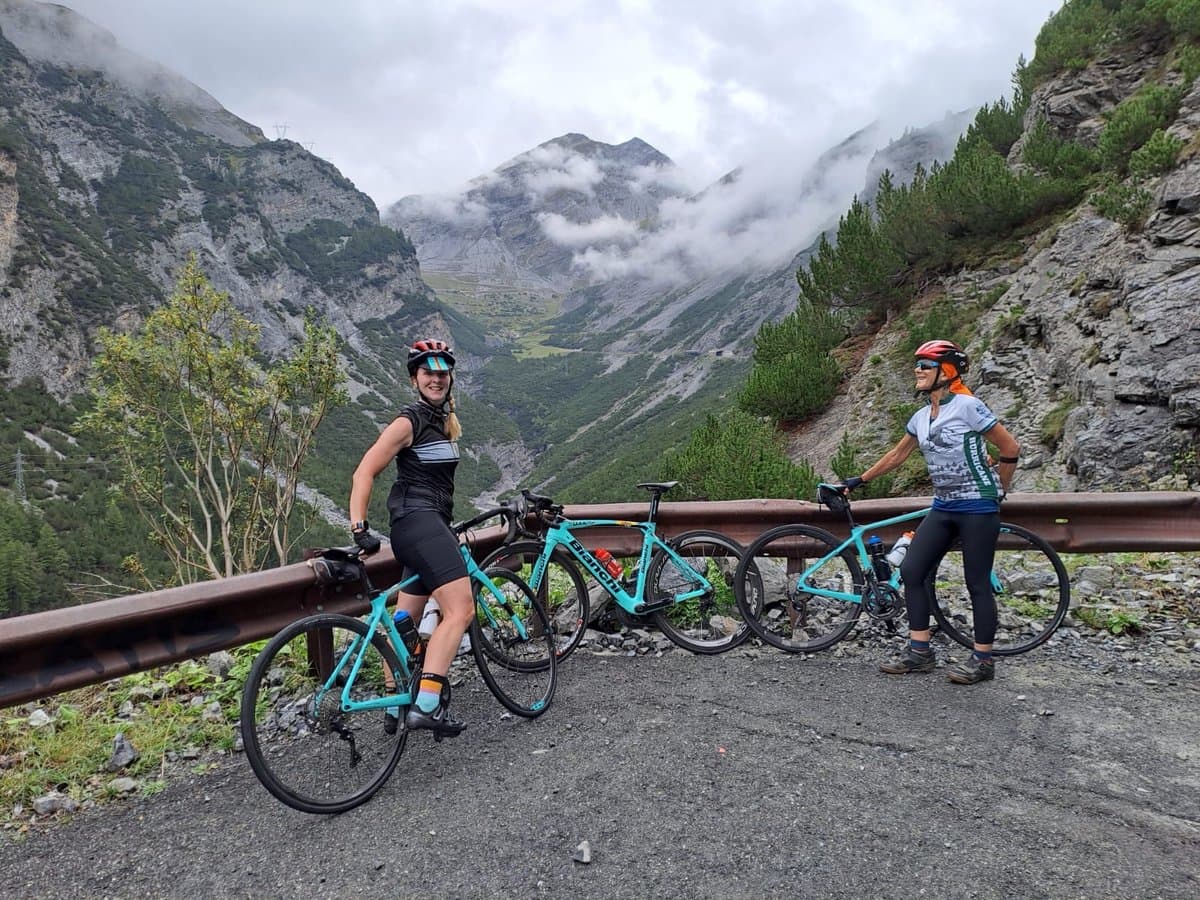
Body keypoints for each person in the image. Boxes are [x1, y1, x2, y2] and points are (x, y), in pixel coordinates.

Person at [840, 339, 1020, 685]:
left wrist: (1000, 487)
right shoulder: (921, 417)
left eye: (926, 364)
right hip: (944, 505)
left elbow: (1010, 446)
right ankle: (919, 652)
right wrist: (857, 480)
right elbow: (897, 455)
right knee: (911, 569)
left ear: (946, 371)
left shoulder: (968, 406)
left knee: (977, 583)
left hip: (977, 506)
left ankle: (983, 660)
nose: (918, 370)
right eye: (917, 364)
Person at [348, 338, 472, 737]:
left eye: (442, 373)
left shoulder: (441, 419)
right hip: (419, 524)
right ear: (414, 378)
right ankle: (427, 706)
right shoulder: (409, 421)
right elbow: (364, 471)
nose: (436, 379)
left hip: (419, 528)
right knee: (460, 611)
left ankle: (393, 703)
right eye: (428, 373)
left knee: (405, 618)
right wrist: (359, 527)